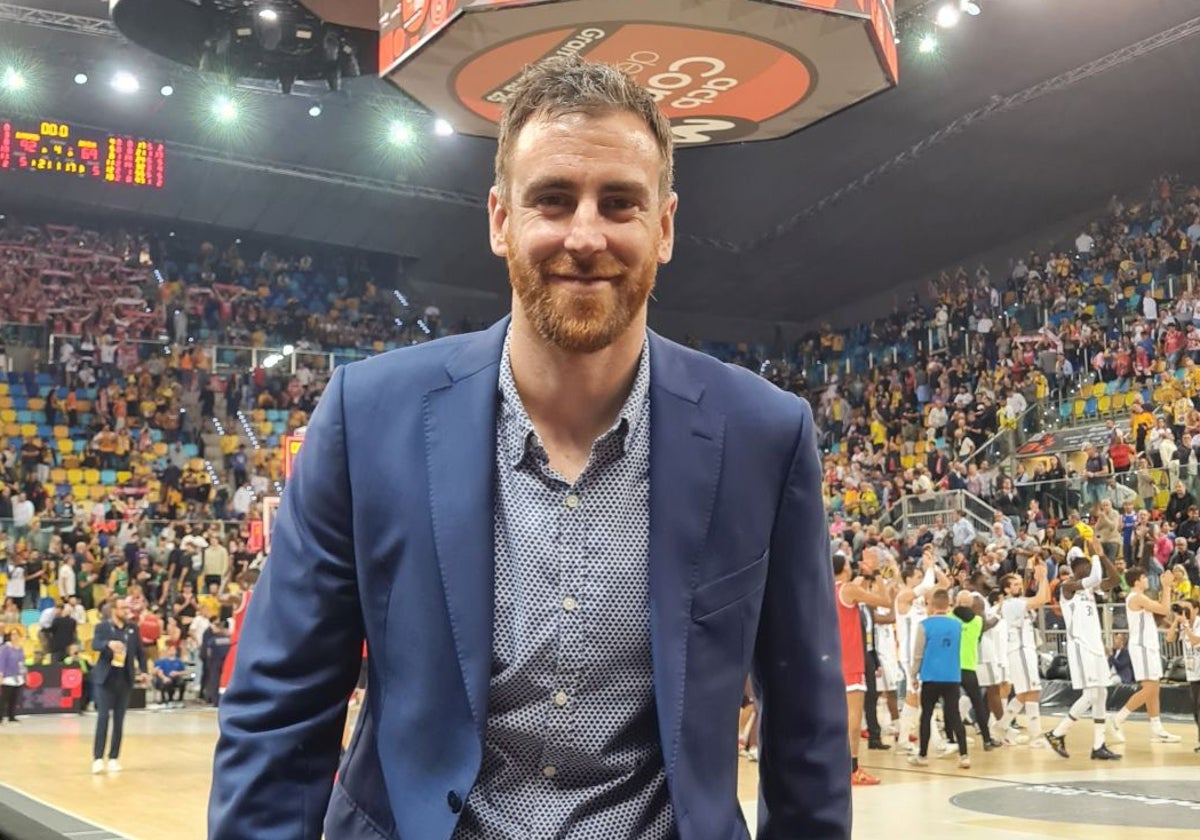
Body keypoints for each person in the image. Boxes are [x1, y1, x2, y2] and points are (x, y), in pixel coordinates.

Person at [210, 56, 850, 840]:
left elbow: (806, 731)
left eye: (620, 203)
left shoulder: (763, 434)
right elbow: (279, 712)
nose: (585, 236)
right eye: (552, 199)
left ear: (666, 227)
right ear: (500, 219)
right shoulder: (368, 416)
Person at [1044, 538, 1123, 760]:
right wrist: (1097, 554)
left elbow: (1116, 580)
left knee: (1102, 692)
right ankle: (1056, 733)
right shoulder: (1067, 587)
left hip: (1095, 646)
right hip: (1080, 647)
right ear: (1074, 566)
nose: (1087, 566)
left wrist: (1103, 557)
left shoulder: (1091, 588)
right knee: (1090, 694)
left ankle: (1099, 745)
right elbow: (1096, 577)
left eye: (1088, 562)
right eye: (1083, 563)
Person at [833, 551, 892, 785]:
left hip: (833, 660)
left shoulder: (832, 589)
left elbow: (859, 584)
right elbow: (885, 601)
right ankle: (852, 768)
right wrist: (877, 572)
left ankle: (836, 766)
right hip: (851, 661)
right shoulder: (848, 589)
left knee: (836, 718)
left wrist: (866, 573)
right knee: (854, 718)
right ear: (845, 568)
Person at [1109, 568, 1182, 743]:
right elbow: (1165, 610)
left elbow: (1160, 614)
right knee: (1149, 688)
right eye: (1143, 576)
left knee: (1154, 688)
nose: (1147, 578)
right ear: (1136, 582)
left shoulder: (1141, 598)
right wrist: (1166, 587)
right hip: (1141, 646)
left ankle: (1156, 728)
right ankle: (1117, 719)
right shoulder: (1136, 597)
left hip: (1148, 646)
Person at [908, 589, 970, 769]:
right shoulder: (957, 625)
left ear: (932, 605)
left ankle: (923, 755)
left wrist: (914, 674)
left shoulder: (924, 625)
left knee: (926, 715)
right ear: (948, 604)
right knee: (954, 715)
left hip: (930, 676)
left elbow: (918, 654)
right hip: (952, 676)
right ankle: (964, 755)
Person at [91, 598, 148, 773]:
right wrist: (108, 644)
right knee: (103, 718)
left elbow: (140, 652)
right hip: (105, 679)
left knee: (119, 720)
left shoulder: (132, 629)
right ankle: (98, 758)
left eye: (127, 608)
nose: (126, 611)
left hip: (124, 679)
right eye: (123, 608)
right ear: (114, 610)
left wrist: (144, 671)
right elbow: (95, 644)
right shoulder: (103, 627)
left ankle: (114, 757)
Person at [1164, 599, 1200, 751]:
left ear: (1197, 609)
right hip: (1193, 673)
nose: (1184, 611)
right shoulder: (1184, 625)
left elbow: (1195, 641)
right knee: (1196, 709)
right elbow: (1169, 639)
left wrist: (1185, 625)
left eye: (1188, 608)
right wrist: (1176, 622)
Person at [0, 630, 26, 722]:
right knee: (4, 698)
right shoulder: (5, 648)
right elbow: (2, 661)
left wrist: (24, 674)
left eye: (16, 634)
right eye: (12, 634)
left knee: (14, 698)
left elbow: (22, 662)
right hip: (8, 677)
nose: (14, 636)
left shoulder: (20, 648)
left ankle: (11, 716)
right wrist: (1, 674)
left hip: (18, 677)